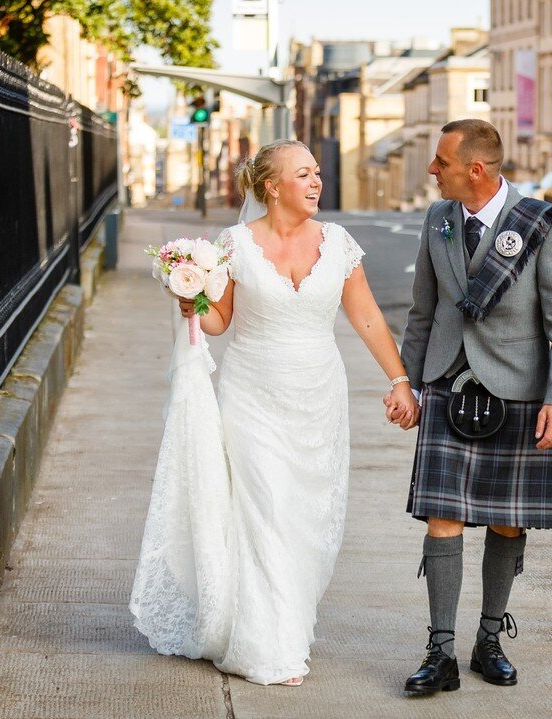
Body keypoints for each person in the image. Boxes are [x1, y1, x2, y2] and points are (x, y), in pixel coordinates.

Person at [129, 139, 419, 687]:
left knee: (304, 518)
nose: (316, 183)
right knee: (264, 510)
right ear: (271, 185)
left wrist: (399, 381)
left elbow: (369, 320)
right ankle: (270, 646)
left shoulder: (339, 244)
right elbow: (218, 322)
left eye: (317, 174)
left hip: (318, 397)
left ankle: (287, 620)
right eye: (304, 174)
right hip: (252, 394)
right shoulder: (234, 244)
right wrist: (186, 289)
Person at [390, 119, 552, 694]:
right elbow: (422, 314)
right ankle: (441, 652)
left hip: (519, 393)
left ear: (474, 170)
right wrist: (407, 382)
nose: (433, 171)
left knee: (507, 520)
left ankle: (488, 641)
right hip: (449, 389)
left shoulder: (540, 225)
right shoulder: (438, 220)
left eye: (441, 163)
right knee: (442, 517)